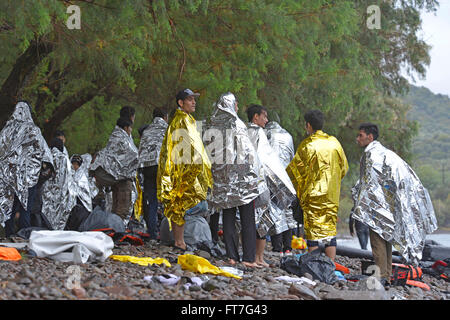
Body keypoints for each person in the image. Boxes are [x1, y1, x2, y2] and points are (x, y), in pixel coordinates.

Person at [352, 123, 437, 285]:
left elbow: (369, 184)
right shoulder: (386, 153)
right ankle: (387, 274)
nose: (357, 139)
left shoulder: (370, 154)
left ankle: (382, 276)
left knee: (377, 241)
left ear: (370, 137)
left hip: (377, 208)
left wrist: (362, 205)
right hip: (388, 207)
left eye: (360, 135)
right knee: (387, 239)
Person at [204, 93, 265, 268]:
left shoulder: (211, 125)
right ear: (232, 105)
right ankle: (248, 257)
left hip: (222, 180)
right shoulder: (238, 124)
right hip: (242, 181)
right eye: (236, 104)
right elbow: (247, 152)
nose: (237, 108)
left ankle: (231, 255)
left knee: (228, 218)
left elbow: (210, 153)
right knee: (247, 219)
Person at [286, 110, 348, 261]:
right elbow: (344, 168)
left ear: (308, 125)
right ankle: (330, 266)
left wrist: (300, 190)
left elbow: (294, 171)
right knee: (329, 232)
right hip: (331, 196)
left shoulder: (307, 145)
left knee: (312, 232)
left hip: (312, 196)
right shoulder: (335, 143)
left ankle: (313, 266)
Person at [157, 88, 213, 251]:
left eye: (194, 99)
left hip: (190, 171)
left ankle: (179, 240)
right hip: (183, 171)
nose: (194, 102)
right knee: (179, 205)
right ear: (181, 103)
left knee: (181, 205)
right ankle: (179, 241)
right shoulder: (180, 121)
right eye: (189, 99)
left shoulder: (188, 120)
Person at [247, 104, 297, 267]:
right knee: (261, 219)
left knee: (263, 220)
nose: (266, 120)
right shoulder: (255, 133)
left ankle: (259, 257)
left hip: (261, 182)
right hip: (261, 183)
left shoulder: (256, 132)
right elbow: (264, 160)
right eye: (264, 116)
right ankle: (256, 257)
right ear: (256, 117)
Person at [0, 101, 54, 237]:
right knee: (26, 208)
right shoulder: (34, 130)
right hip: (29, 177)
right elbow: (45, 153)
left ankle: (9, 234)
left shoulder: (7, 130)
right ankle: (24, 235)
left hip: (9, 178)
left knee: (10, 207)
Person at [90, 116, 139, 223]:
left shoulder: (114, 137)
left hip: (114, 179)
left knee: (115, 207)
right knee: (123, 209)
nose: (131, 130)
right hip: (124, 180)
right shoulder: (124, 139)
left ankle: (112, 230)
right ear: (126, 128)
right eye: (130, 128)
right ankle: (118, 231)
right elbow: (134, 155)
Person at [265, 120, 297, 256]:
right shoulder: (288, 136)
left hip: (271, 177)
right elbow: (292, 157)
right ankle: (288, 247)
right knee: (287, 212)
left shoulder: (266, 134)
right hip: (287, 178)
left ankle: (277, 247)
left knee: (274, 212)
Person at [138, 107, 169, 240]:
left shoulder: (146, 131)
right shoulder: (168, 129)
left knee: (152, 201)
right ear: (165, 117)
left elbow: (140, 150)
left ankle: (152, 233)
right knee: (169, 199)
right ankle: (168, 232)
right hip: (162, 167)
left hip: (147, 168)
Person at [41, 137, 77, 230]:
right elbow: (70, 178)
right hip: (61, 193)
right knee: (58, 217)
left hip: (46, 192)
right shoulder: (65, 159)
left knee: (46, 215)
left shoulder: (47, 157)